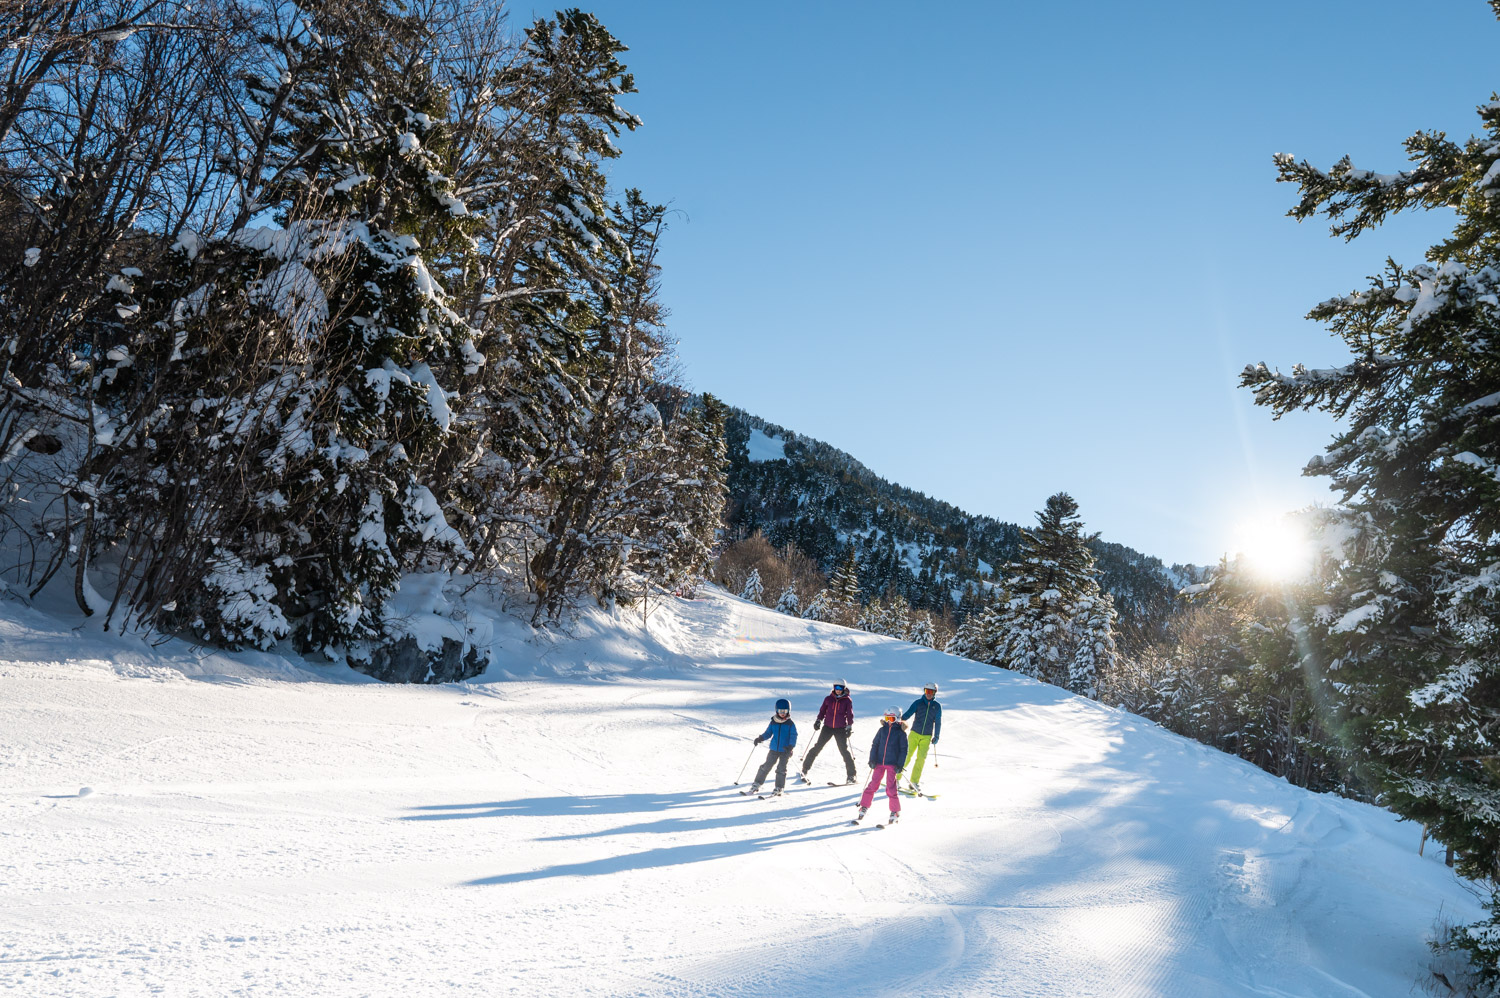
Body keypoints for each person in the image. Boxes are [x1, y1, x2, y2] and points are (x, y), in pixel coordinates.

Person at [855, 707, 908, 823]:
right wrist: (872, 759)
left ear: (897, 719)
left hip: (892, 764)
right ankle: (864, 806)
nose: (889, 720)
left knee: (890, 787)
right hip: (879, 762)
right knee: (873, 785)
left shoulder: (901, 733)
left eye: (891, 718)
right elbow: (875, 745)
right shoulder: (882, 730)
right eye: (887, 718)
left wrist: (900, 764)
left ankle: (895, 811)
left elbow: (904, 750)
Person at [799, 679, 857, 784]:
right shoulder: (828, 699)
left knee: (844, 751)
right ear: (834, 687)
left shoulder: (847, 700)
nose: (838, 690)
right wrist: (818, 721)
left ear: (844, 688)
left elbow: (849, 714)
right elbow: (822, 711)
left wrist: (849, 726)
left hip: (840, 728)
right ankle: (805, 769)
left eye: (840, 688)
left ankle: (851, 775)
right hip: (828, 727)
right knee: (817, 747)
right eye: (836, 687)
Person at [743, 698, 798, 796]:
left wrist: (790, 746)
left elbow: (793, 735)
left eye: (785, 711)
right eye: (780, 711)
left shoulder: (790, 724)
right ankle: (757, 784)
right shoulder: (773, 722)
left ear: (788, 711)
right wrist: (761, 738)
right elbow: (768, 733)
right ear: (776, 710)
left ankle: (779, 787)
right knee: (766, 766)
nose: (782, 713)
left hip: (785, 750)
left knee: (781, 769)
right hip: (774, 749)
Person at [900, 682, 942, 793]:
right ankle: (896, 779)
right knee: (906, 755)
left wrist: (936, 735)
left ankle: (914, 782)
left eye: (931, 692)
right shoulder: (918, 703)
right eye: (926, 691)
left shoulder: (937, 706)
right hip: (914, 733)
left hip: (926, 736)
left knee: (921, 759)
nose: (928, 694)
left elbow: (937, 722)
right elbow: (908, 713)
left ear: (934, 693)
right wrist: (899, 721)